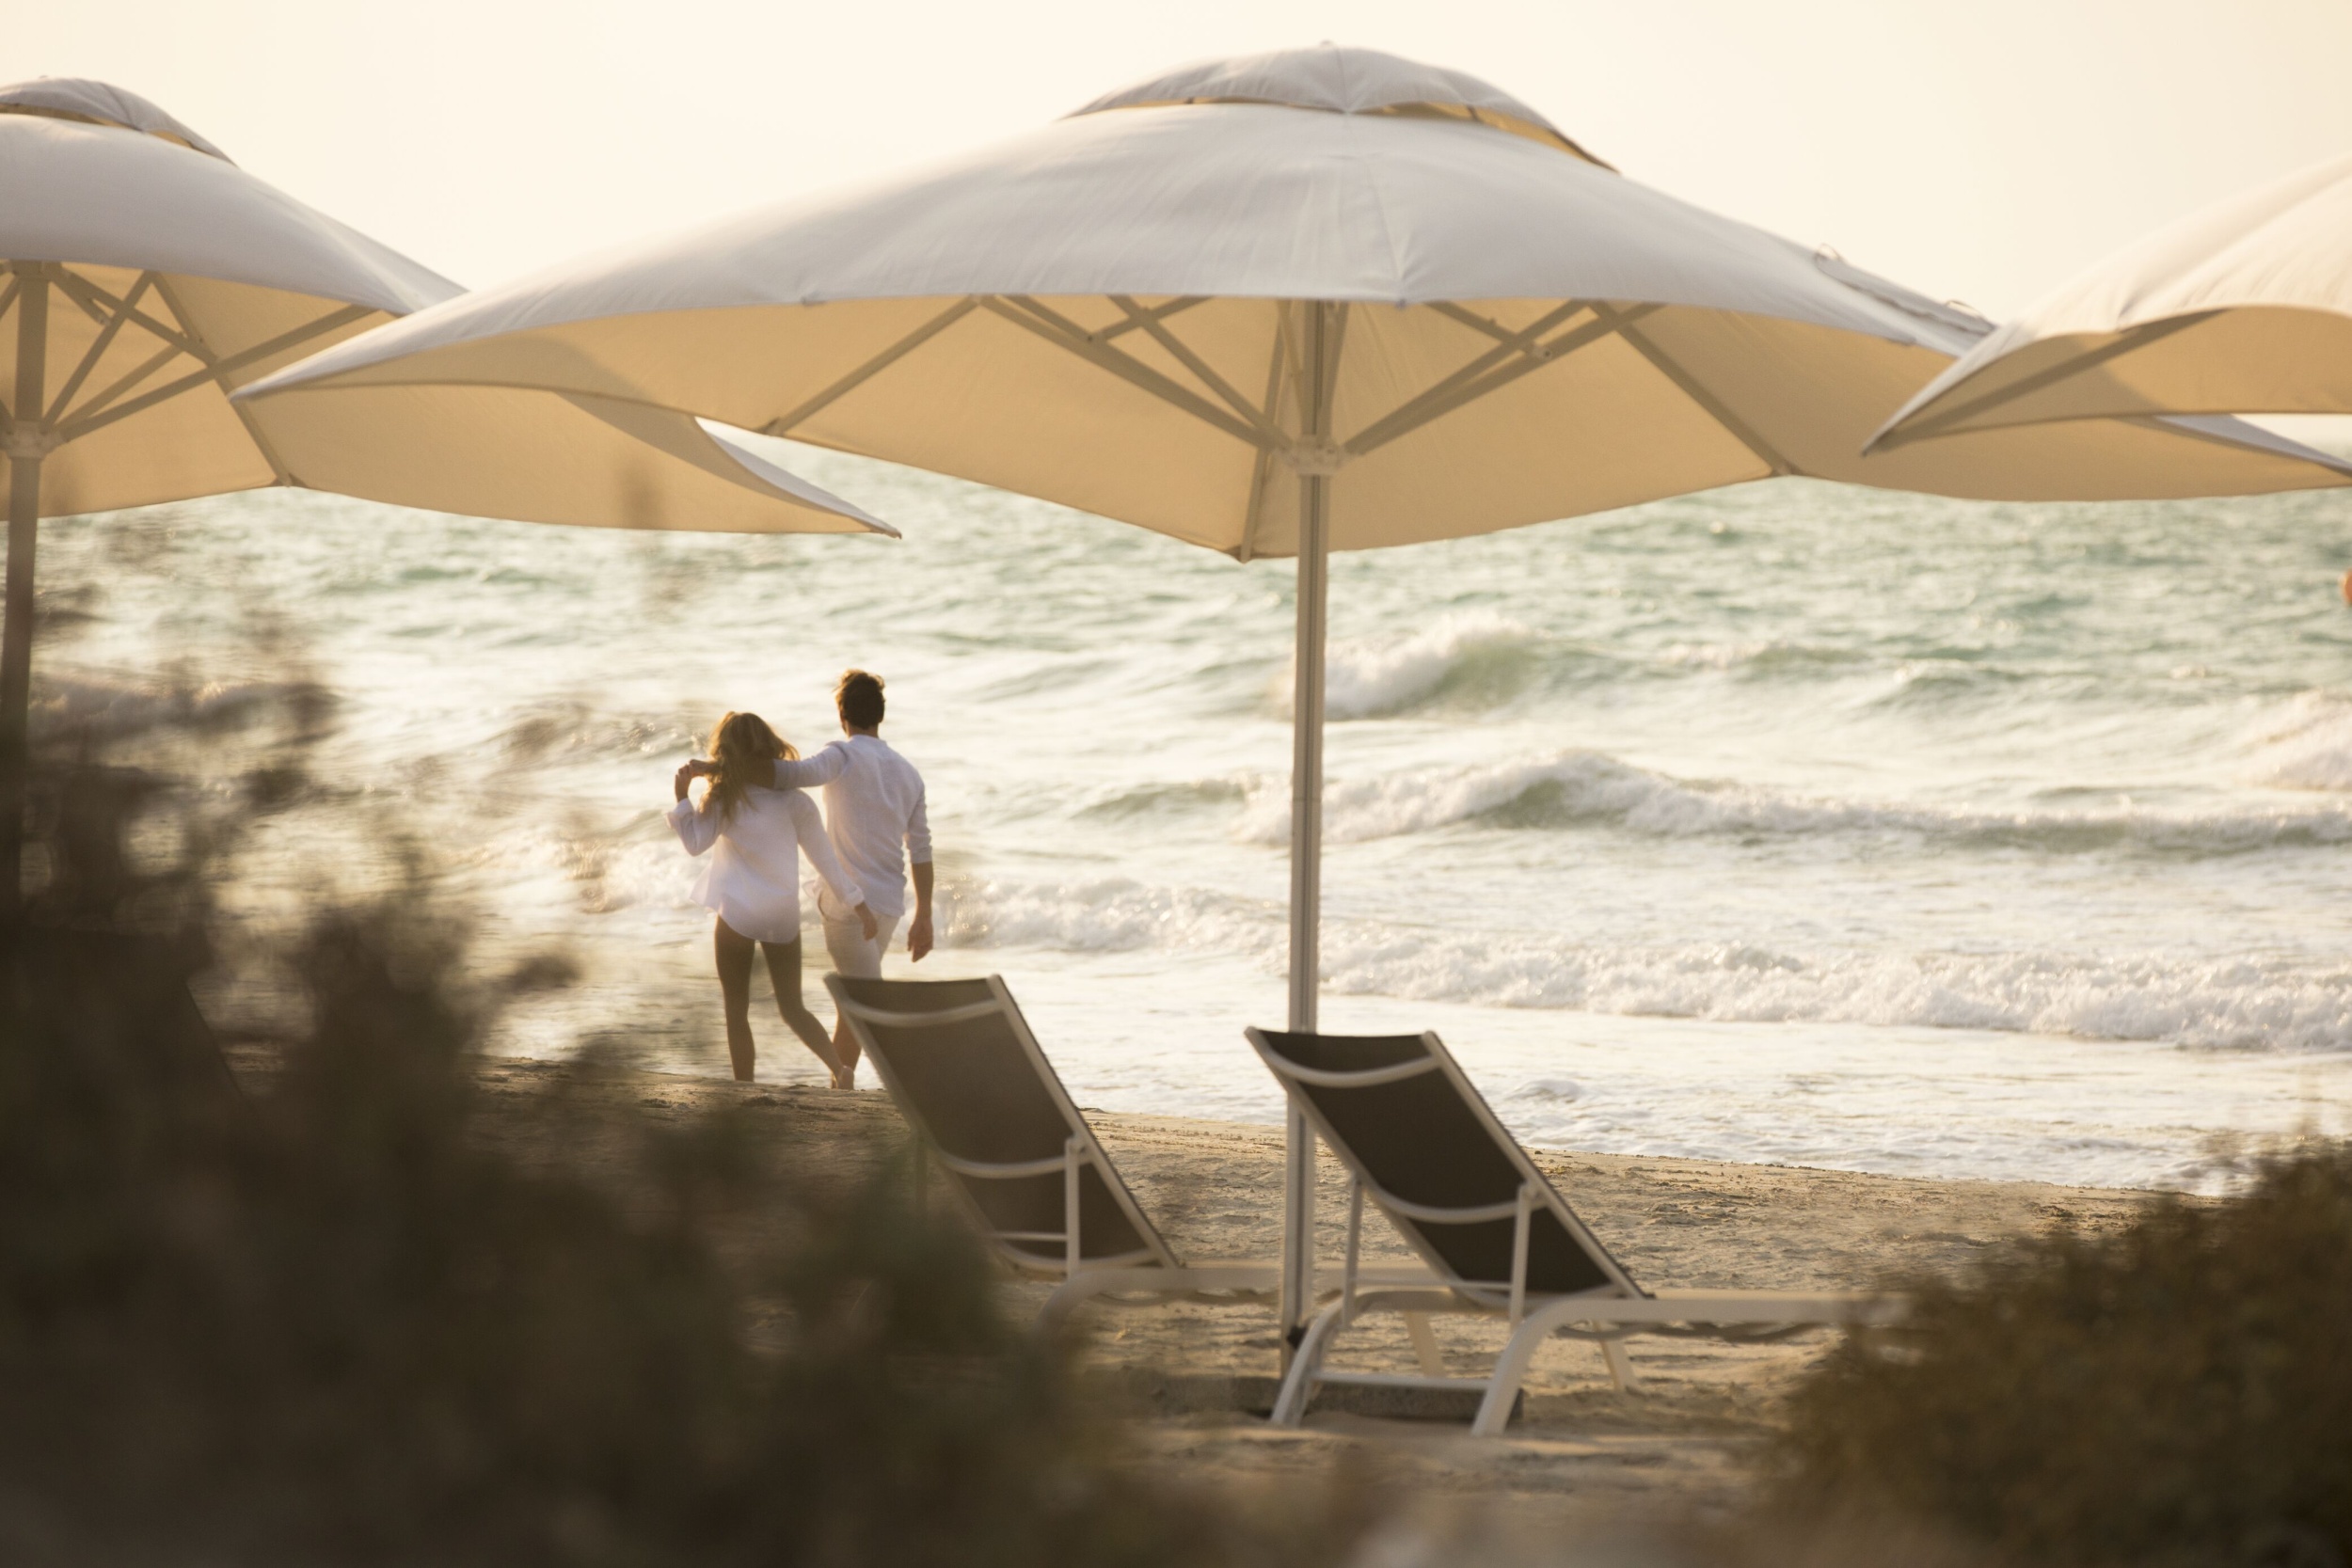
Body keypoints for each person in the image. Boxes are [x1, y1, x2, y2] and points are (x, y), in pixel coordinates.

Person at [685, 669, 930, 1088]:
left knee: (861, 1003)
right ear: (881, 715)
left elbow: (784, 775)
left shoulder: (841, 756)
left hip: (846, 907)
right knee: (849, 1003)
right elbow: (921, 850)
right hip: (887, 906)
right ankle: (841, 1085)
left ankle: (896, 1079)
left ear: (842, 716)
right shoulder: (909, 773)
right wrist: (924, 912)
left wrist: (714, 768)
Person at [669, 710, 878, 1086]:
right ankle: (840, 1069)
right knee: (792, 1007)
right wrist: (859, 905)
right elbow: (827, 863)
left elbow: (695, 844)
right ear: (770, 747)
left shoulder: (724, 798)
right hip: (781, 916)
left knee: (737, 1009)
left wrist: (683, 798)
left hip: (737, 915)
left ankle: (745, 1089)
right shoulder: (796, 803)